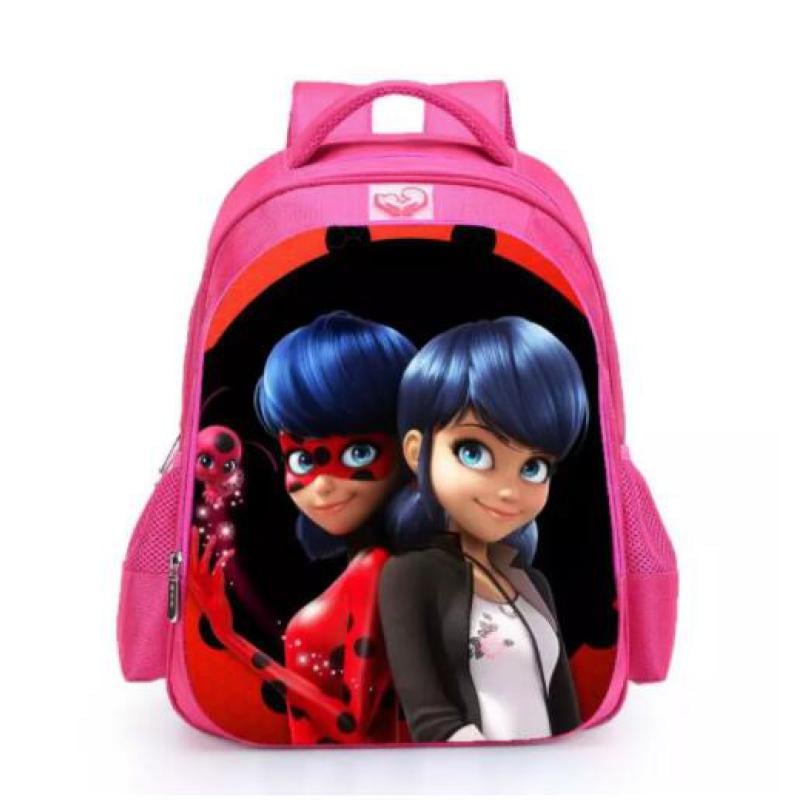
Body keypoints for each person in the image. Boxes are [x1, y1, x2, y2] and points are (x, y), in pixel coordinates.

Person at [190, 310, 415, 744]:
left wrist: (230, 638)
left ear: (409, 447)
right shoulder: (374, 569)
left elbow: (352, 725)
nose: (323, 485)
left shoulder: (376, 571)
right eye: (303, 459)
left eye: (359, 453)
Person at [379, 317, 588, 742]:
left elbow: (566, 715)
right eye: (474, 452)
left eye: (534, 467)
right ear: (417, 452)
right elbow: (430, 718)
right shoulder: (410, 577)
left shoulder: (533, 584)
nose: (509, 491)